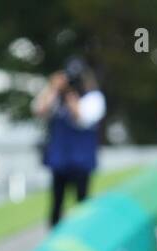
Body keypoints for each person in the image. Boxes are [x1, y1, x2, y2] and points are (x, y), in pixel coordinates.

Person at [33, 57, 105, 227]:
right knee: (56, 203)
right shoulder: (55, 96)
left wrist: (72, 97)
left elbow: (82, 118)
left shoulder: (94, 98)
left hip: (81, 160)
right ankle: (54, 235)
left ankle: (84, 236)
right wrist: (54, 89)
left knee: (83, 203)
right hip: (60, 159)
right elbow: (40, 111)